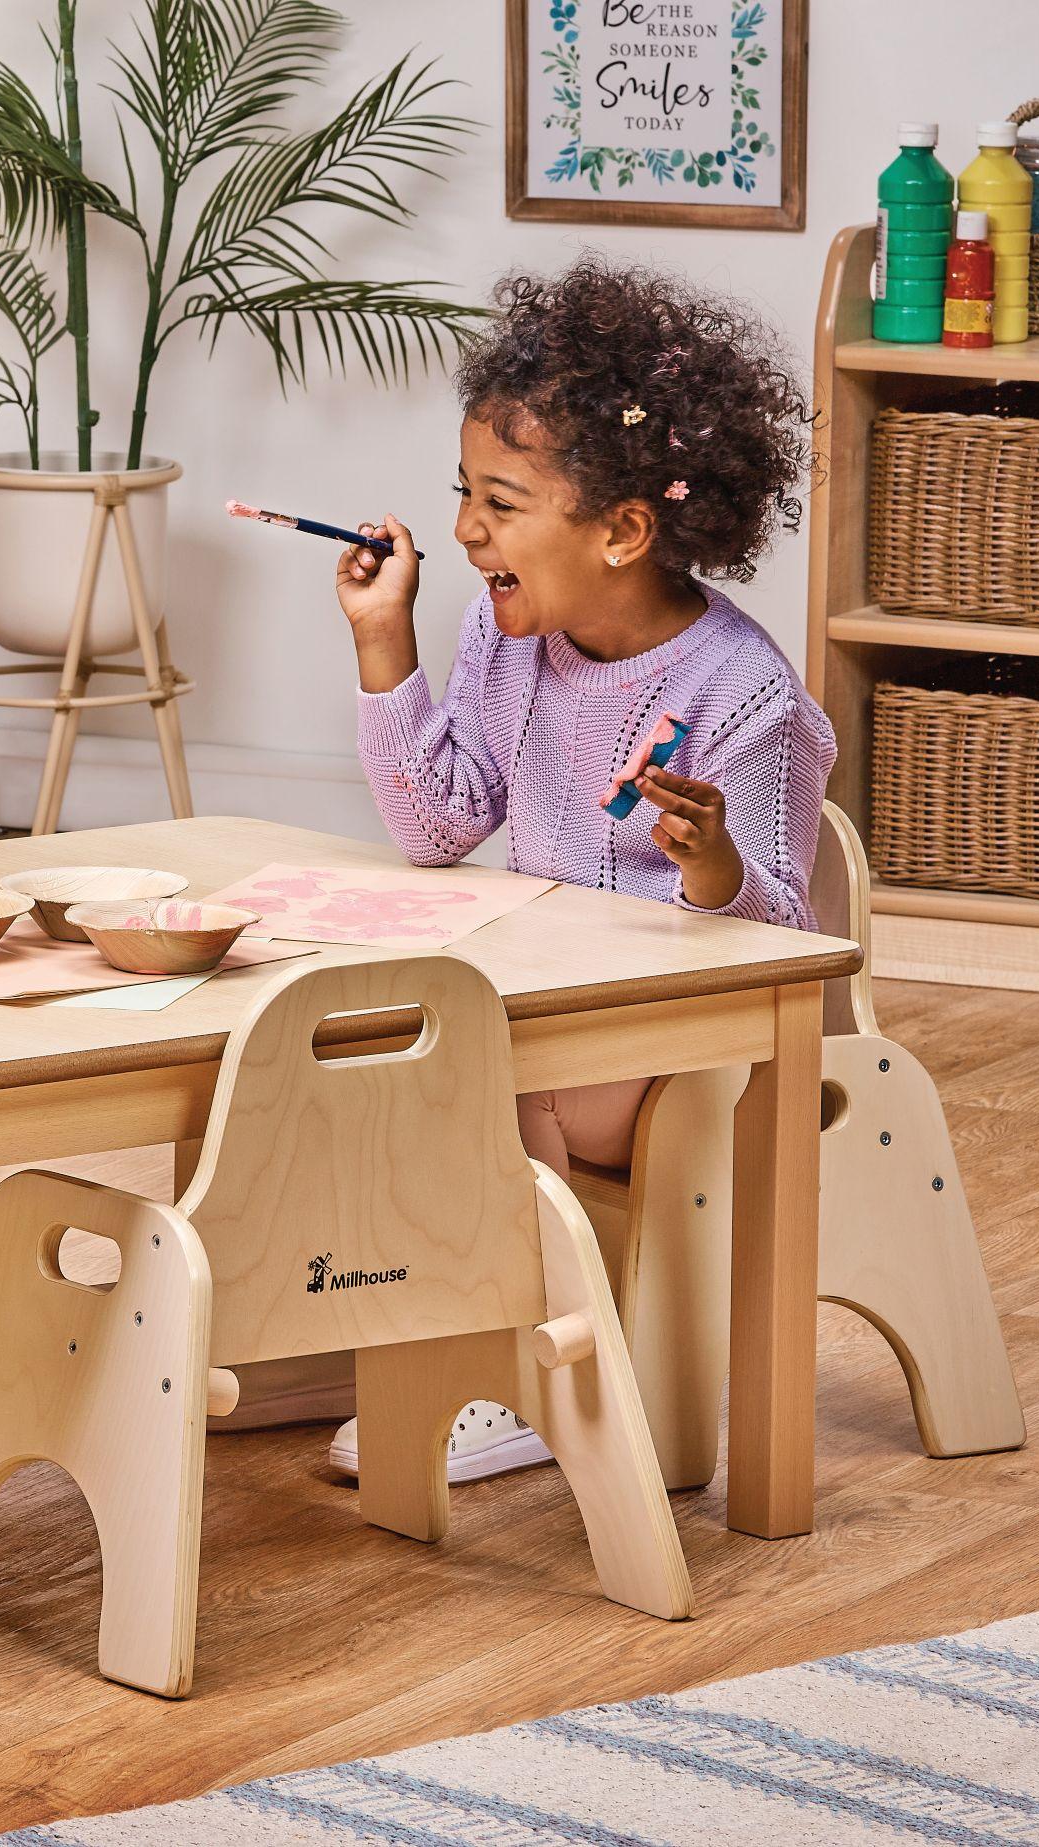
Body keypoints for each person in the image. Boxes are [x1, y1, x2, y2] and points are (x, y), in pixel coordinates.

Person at [321, 257, 834, 1482]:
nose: (460, 531)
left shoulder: (740, 690)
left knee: (469, 1066)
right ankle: (383, 1332)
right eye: (462, 494)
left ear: (621, 530)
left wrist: (709, 861)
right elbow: (440, 825)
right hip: (559, 1001)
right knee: (369, 1045)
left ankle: (520, 1371)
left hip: (691, 1035)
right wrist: (383, 640)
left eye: (500, 503)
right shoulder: (513, 644)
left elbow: (784, 929)